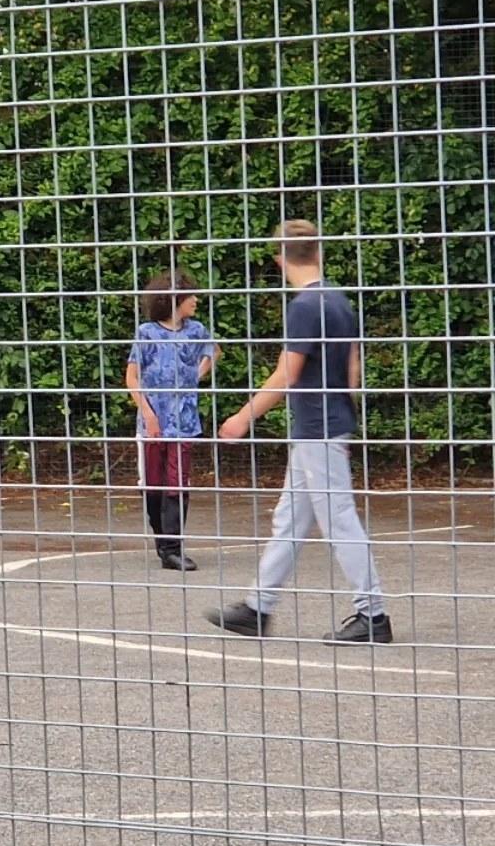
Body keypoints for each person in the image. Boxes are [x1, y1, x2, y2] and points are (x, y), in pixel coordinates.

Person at [207, 219, 392, 644]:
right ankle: (257, 608)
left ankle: (373, 615)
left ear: (279, 260)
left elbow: (286, 373)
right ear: (319, 252)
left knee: (339, 520)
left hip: (317, 429)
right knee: (289, 520)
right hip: (325, 425)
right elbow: (353, 372)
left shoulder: (305, 306)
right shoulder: (339, 301)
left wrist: (243, 416)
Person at [125, 270, 219, 571]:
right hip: (153, 422)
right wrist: (149, 415)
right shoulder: (147, 333)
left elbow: (213, 352)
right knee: (153, 484)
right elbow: (132, 377)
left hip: (185, 422)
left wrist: (196, 374)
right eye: (190, 295)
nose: (196, 300)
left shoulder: (196, 330)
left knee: (177, 483)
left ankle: (173, 548)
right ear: (175, 299)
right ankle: (162, 541)